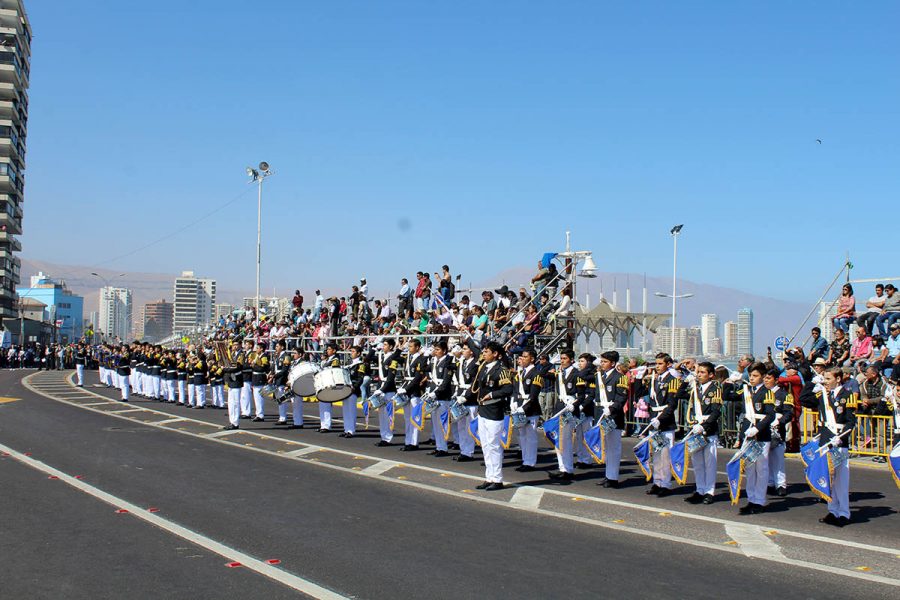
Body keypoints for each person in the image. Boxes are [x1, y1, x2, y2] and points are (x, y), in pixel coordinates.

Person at [800, 367, 857, 526]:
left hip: (839, 440)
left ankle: (844, 513)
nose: (825, 382)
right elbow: (803, 399)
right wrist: (812, 382)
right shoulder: (822, 395)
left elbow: (851, 422)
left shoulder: (847, 395)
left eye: (828, 379)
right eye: (823, 378)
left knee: (841, 479)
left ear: (838, 379)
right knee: (829, 477)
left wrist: (841, 437)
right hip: (825, 440)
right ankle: (832, 510)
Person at [638, 354, 682, 496]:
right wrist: (639, 378)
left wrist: (660, 419)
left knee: (665, 455)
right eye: (656, 364)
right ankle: (657, 482)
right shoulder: (655, 380)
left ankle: (666, 484)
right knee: (656, 454)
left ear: (668, 364)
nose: (657, 366)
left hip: (665, 421)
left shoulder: (672, 381)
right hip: (654, 420)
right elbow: (641, 394)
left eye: (660, 364)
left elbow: (672, 404)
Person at [472, 341, 513, 491]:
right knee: (486, 446)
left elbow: (508, 389)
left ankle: (497, 479)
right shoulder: (484, 367)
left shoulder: (501, 369)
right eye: (484, 351)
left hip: (494, 411)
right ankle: (489, 477)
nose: (484, 353)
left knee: (494, 445)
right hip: (483, 411)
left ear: (495, 354)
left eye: (487, 351)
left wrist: (492, 394)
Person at [737, 362, 777, 515]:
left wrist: (758, 428)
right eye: (751, 376)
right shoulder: (748, 391)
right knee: (749, 468)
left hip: (761, 435)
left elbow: (770, 415)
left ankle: (759, 500)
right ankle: (751, 498)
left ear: (762, 377)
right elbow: (729, 397)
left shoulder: (766, 393)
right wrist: (732, 382)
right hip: (748, 434)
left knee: (761, 468)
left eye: (755, 376)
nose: (752, 379)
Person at [683, 361, 722, 505]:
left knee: (709, 463)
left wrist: (704, 426)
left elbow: (716, 411)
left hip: (708, 429)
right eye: (698, 372)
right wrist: (686, 380)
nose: (699, 375)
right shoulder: (695, 388)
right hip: (695, 427)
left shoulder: (715, 388)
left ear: (711, 375)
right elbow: (680, 395)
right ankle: (699, 489)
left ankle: (709, 492)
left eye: (702, 372)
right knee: (697, 463)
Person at [548, 349, 587, 482]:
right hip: (559, 408)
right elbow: (541, 373)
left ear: (571, 360)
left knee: (566, 440)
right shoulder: (559, 373)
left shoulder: (577, 374)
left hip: (569, 408)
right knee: (558, 440)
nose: (562, 361)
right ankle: (562, 468)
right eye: (561, 359)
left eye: (565, 358)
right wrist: (549, 363)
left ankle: (568, 469)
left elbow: (581, 395)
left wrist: (574, 405)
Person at [594, 351, 629, 488]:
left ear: (613, 363)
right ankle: (608, 475)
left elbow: (621, 397)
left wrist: (612, 409)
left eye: (605, 362)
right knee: (606, 448)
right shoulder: (600, 377)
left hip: (613, 416)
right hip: (601, 414)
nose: (602, 364)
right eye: (601, 361)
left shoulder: (620, 378)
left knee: (614, 448)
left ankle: (613, 477)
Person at [765, 367, 794, 498]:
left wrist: (779, 421)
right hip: (764, 429)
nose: (766, 380)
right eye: (765, 377)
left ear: (776, 380)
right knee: (766, 459)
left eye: (769, 378)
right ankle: (770, 482)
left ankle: (781, 484)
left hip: (778, 431)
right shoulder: (763, 393)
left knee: (777, 458)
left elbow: (789, 413)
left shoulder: (784, 395)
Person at [513, 348, 542, 471]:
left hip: (530, 409)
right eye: (522, 357)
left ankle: (530, 462)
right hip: (519, 406)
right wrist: (514, 403)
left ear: (532, 359)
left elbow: (533, 395)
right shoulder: (520, 373)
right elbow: (515, 390)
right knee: (522, 436)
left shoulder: (536, 373)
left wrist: (523, 408)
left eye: (525, 357)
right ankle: (525, 460)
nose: (522, 359)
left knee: (530, 437)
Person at [397, 338, 428, 451]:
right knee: (407, 418)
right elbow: (394, 358)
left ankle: (414, 442)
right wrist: (399, 349)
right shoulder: (408, 358)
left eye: (411, 346)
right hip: (406, 387)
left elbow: (418, 377)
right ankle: (408, 441)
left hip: (414, 390)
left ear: (417, 347)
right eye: (408, 346)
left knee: (414, 417)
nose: (409, 348)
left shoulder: (422, 359)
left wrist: (407, 389)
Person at [369, 338, 402, 446]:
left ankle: (387, 438)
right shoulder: (381, 356)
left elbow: (391, 377)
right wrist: (373, 349)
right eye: (383, 345)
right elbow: (368, 359)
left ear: (391, 347)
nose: (383, 347)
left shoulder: (393, 359)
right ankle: (384, 437)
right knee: (381, 415)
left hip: (388, 389)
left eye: (385, 345)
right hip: (381, 387)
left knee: (388, 416)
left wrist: (382, 390)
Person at [425, 340, 454, 457]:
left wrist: (435, 393)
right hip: (434, 395)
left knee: (442, 424)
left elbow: (446, 382)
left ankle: (443, 448)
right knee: (435, 424)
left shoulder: (448, 361)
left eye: (438, 350)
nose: (435, 352)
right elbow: (423, 368)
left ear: (444, 351)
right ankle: (439, 446)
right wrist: (426, 355)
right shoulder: (434, 361)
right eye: (434, 349)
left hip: (442, 396)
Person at [452, 342, 480, 462]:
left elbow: (474, 383)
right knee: (461, 427)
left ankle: (468, 452)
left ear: (471, 351)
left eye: (465, 349)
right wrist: (457, 394)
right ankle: (463, 451)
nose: (462, 351)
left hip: (470, 399)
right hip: (460, 396)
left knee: (470, 427)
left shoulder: (476, 364)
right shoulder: (462, 363)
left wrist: (466, 396)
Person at [342, 345, 367, 438]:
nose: (351, 353)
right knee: (345, 410)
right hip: (345, 389)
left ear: (358, 353)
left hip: (353, 390)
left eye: (353, 351)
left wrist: (354, 387)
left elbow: (360, 378)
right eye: (351, 351)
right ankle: (346, 429)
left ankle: (351, 430)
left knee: (351, 410)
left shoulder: (360, 364)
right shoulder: (349, 363)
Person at [318, 344, 341, 432]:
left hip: (329, 383)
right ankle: (322, 425)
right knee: (322, 405)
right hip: (324, 384)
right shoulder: (328, 359)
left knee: (326, 405)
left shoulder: (335, 360)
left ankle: (327, 426)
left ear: (334, 351)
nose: (327, 351)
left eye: (329, 349)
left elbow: (334, 370)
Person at [223, 342, 244, 430]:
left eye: (236, 344)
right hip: (231, 379)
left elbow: (237, 367)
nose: (234, 346)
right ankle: (231, 421)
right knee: (230, 402)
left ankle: (235, 423)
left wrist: (226, 369)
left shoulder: (241, 354)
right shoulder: (232, 354)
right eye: (233, 345)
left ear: (239, 345)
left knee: (235, 402)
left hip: (236, 378)